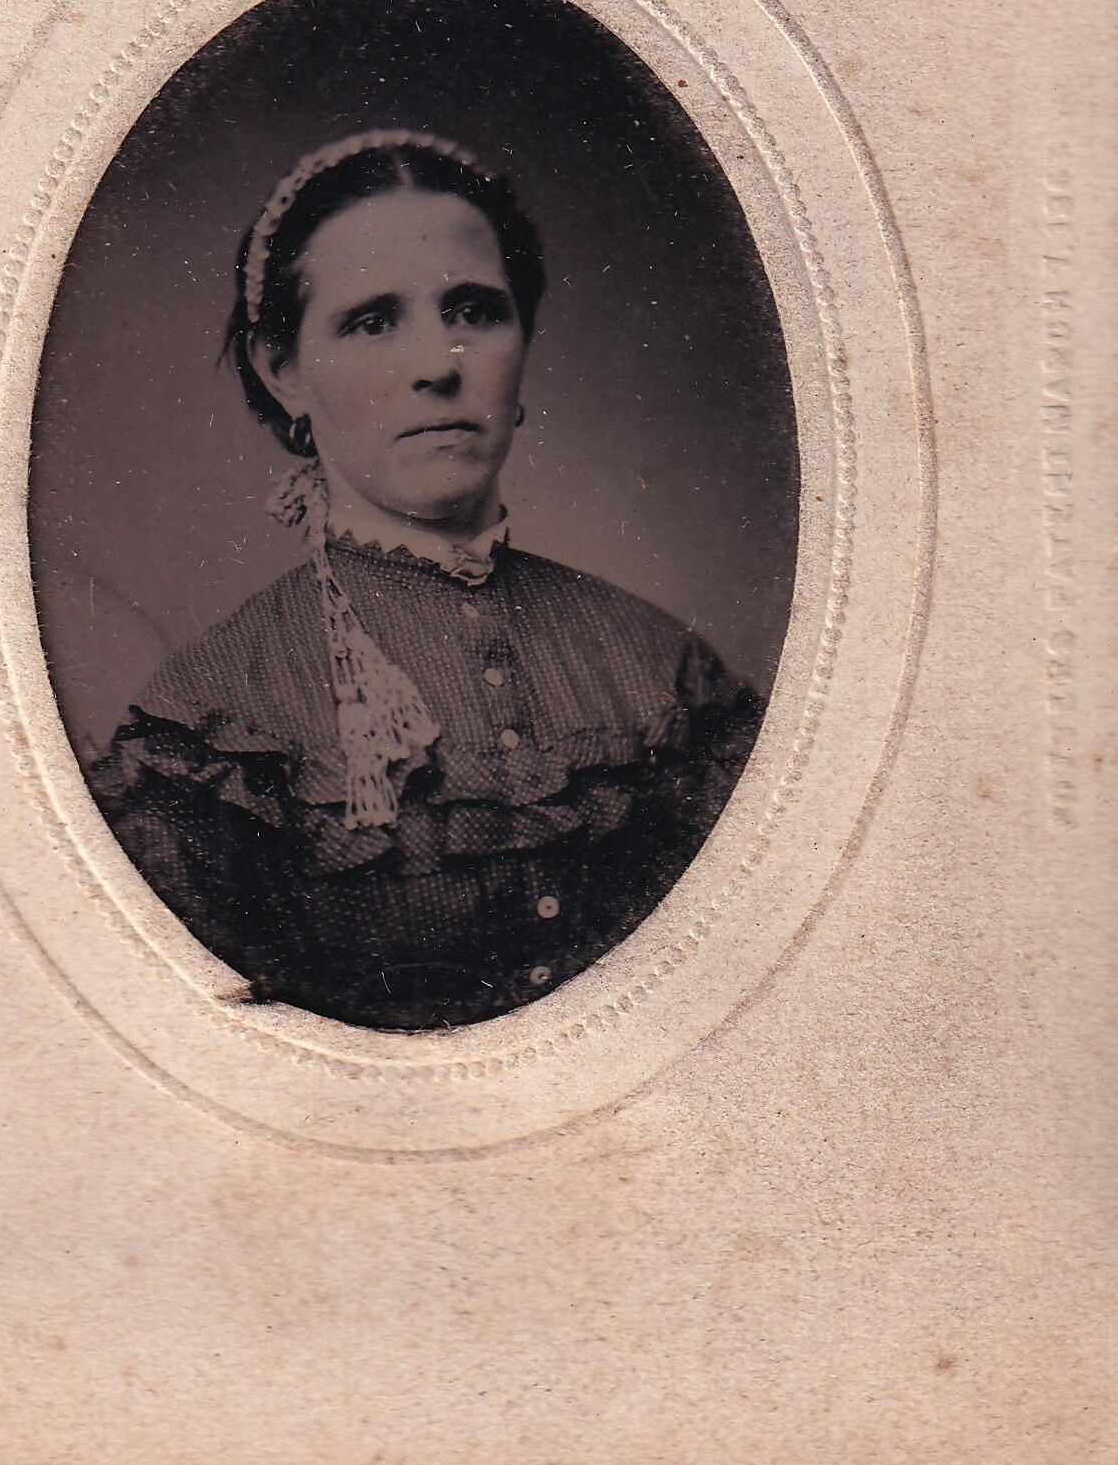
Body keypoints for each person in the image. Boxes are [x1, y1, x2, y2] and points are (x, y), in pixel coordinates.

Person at [89, 129, 763, 1032]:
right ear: (282, 372)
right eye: (373, 323)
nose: (438, 367)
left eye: (474, 312)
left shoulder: (663, 671)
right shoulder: (210, 726)